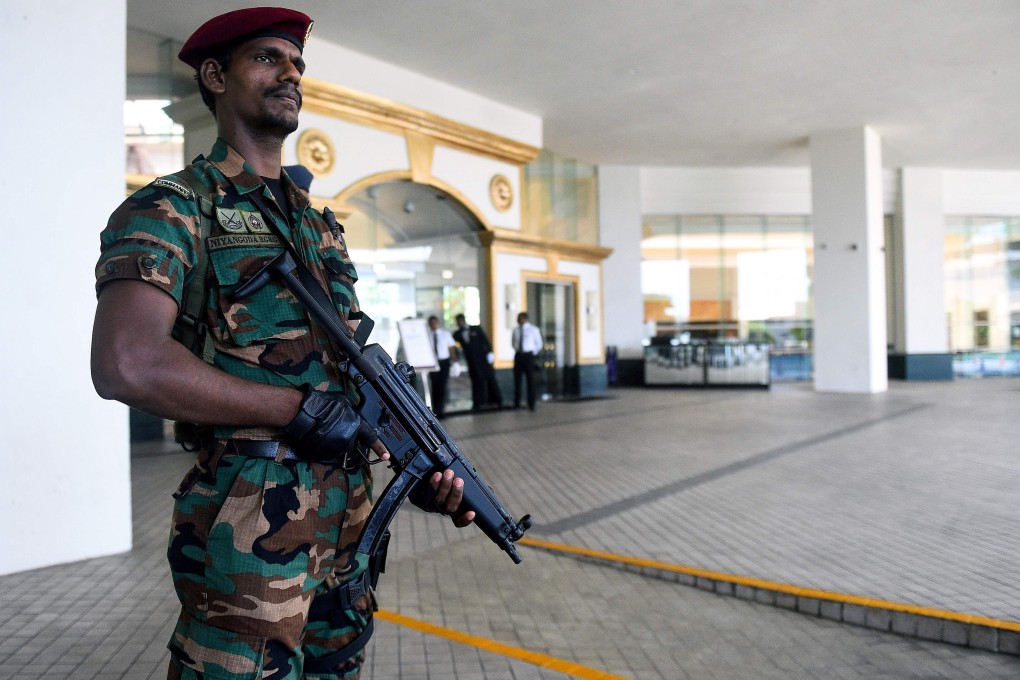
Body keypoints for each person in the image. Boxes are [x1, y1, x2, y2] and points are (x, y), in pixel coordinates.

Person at [90, 8, 473, 680]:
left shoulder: (321, 226)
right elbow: (127, 364)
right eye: (268, 58)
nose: (290, 73)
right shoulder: (176, 207)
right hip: (247, 525)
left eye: (296, 64)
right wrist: (290, 410)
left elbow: (351, 371)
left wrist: (415, 464)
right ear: (214, 75)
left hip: (347, 528)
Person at [453, 313, 503, 411]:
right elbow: (453, 346)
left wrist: (490, 352)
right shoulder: (457, 334)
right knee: (476, 382)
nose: (459, 324)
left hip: (483, 360)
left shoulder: (476, 329)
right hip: (472, 362)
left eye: (460, 321)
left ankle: (498, 401)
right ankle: (478, 403)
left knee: (491, 379)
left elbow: (485, 341)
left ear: (463, 320)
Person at [511, 311, 543, 410]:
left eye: (520, 318)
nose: (518, 320)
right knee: (517, 380)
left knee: (530, 380)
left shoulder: (534, 330)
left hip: (528, 356)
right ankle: (517, 402)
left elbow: (539, 344)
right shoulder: (515, 330)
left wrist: (532, 353)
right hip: (518, 355)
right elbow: (513, 343)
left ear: (525, 319)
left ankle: (531, 403)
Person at [427, 315, 458, 418]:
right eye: (431, 323)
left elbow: (451, 348)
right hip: (433, 363)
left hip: (444, 362)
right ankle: (436, 410)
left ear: (437, 323)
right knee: (434, 386)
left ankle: (441, 410)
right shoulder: (428, 335)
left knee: (442, 386)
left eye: (435, 322)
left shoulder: (445, 334)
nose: (433, 325)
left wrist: (455, 362)